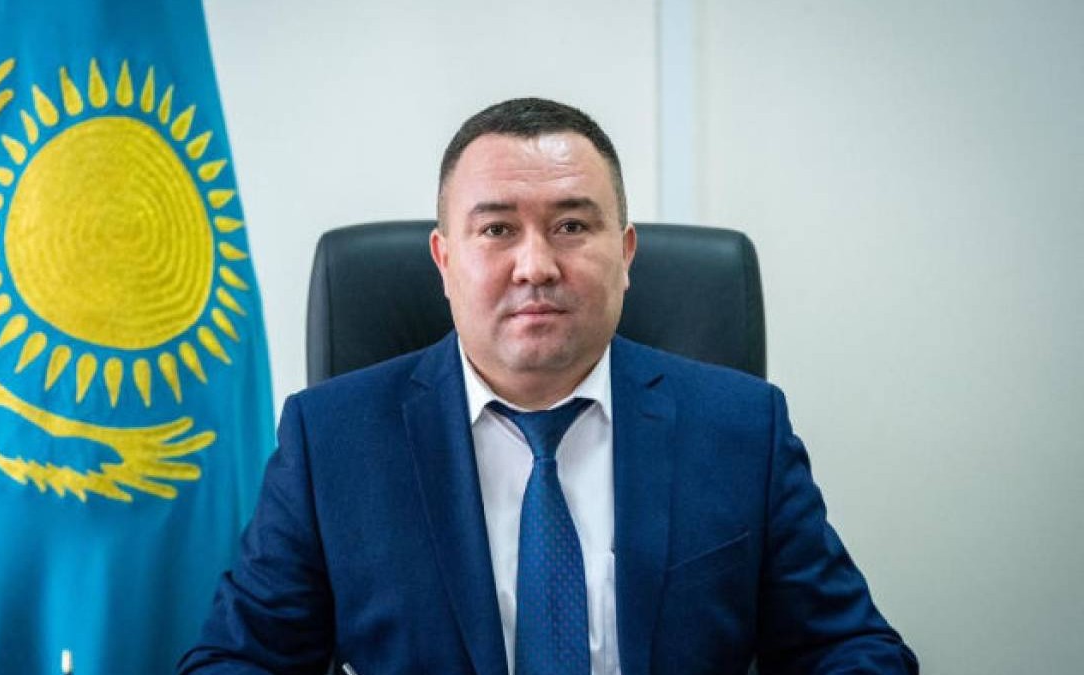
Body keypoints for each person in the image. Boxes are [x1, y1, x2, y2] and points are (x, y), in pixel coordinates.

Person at [178, 98, 918, 674]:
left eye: (570, 226)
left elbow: (850, 648)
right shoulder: (331, 441)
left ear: (625, 254)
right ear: (444, 260)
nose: (535, 266)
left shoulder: (741, 427)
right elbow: (237, 660)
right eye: (497, 230)